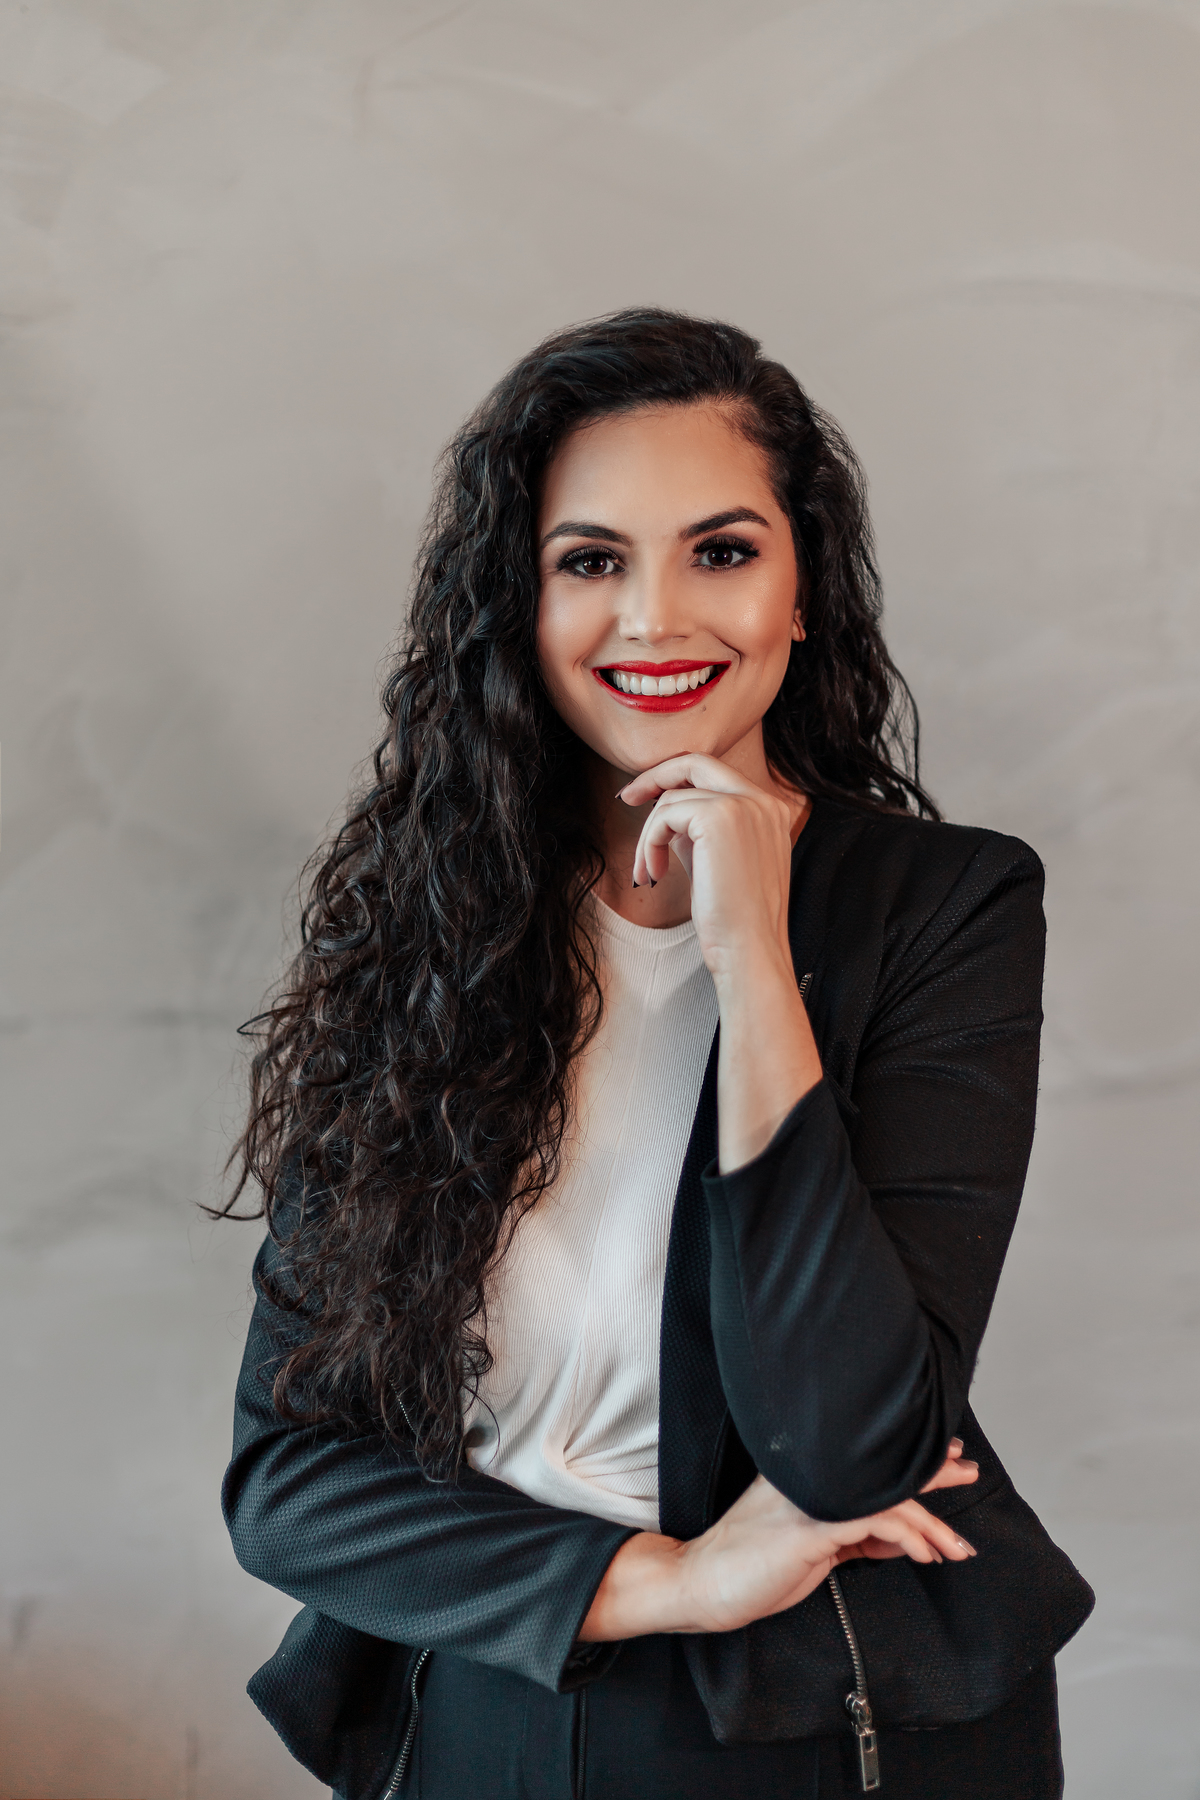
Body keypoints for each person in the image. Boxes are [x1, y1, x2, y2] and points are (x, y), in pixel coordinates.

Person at [219, 309, 1093, 1800]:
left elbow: (845, 1440)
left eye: (722, 551)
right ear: (521, 605)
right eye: (591, 561)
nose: (655, 618)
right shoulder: (429, 928)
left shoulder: (945, 907)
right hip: (501, 1680)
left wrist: (752, 957)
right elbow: (291, 1482)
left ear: (803, 591)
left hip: (826, 1720)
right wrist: (668, 1580)